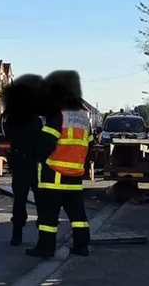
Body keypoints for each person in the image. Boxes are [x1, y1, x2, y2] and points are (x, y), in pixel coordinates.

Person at [26, 70, 94, 259]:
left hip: (54, 175)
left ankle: (45, 249)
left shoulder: (58, 115)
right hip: (74, 176)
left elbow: (46, 142)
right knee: (78, 216)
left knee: (49, 218)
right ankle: (82, 246)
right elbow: (90, 144)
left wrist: (39, 158)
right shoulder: (82, 117)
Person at [0, 74, 45, 246]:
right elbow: (42, 139)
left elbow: (4, 137)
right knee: (40, 199)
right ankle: (42, 234)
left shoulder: (10, 117)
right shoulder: (36, 118)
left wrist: (11, 155)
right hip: (35, 163)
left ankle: (17, 234)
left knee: (19, 199)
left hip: (19, 162)